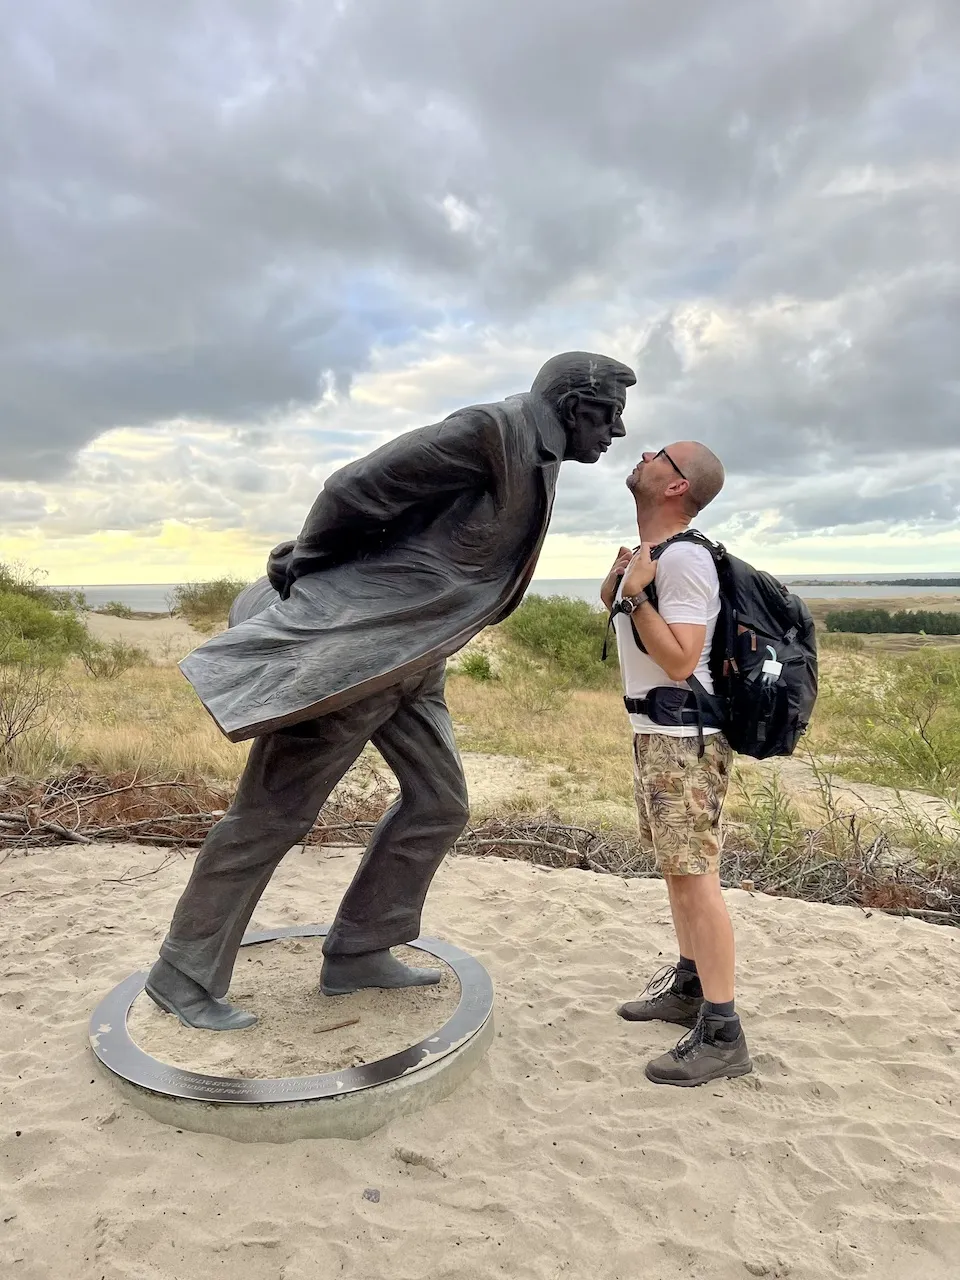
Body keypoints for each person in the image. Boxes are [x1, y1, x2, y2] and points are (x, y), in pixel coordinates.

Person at [147, 351, 637, 1030]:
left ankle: (360, 948)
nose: (616, 431)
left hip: (417, 655)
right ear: (576, 404)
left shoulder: (537, 452)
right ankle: (183, 972)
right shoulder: (490, 431)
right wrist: (315, 576)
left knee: (439, 803)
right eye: (610, 414)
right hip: (357, 654)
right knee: (273, 814)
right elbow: (353, 487)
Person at [601, 442, 752, 1086]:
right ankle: (690, 986)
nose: (642, 455)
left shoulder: (686, 558)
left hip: (683, 738)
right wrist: (623, 588)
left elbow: (683, 660)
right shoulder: (656, 558)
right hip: (658, 733)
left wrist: (637, 599)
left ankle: (723, 1030)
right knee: (678, 870)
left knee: (695, 876)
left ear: (676, 486)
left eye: (658, 454)